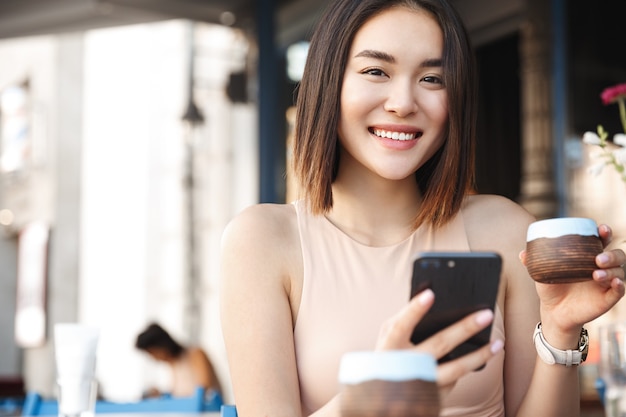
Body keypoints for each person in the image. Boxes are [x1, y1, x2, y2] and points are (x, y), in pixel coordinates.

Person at [219, 0, 626, 415]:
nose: (403, 103)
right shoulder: (262, 241)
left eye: (432, 78)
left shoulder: (504, 230)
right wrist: (370, 397)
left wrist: (560, 330)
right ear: (329, 82)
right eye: (376, 71)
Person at [135, 323, 222, 398]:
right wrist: (161, 394)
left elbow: (204, 390)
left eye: (153, 353)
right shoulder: (174, 365)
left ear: (161, 345)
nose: (154, 358)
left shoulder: (195, 354)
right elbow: (178, 394)